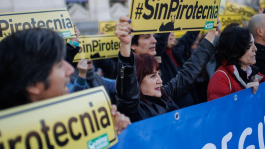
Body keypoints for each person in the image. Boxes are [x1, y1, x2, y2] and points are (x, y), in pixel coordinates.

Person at [0, 28, 130, 134]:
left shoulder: (79, 124)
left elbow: (121, 85)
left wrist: (110, 130)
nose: (70, 70)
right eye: (58, 64)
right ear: (32, 83)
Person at [115, 16, 218, 122]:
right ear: (137, 80)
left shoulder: (164, 96)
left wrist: (210, 35)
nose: (160, 81)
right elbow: (127, 85)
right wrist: (124, 45)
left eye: (158, 74)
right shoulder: (134, 110)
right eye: (152, 76)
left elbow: (188, 73)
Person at [207, 26, 265, 101]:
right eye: (249, 45)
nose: (255, 49)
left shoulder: (252, 73)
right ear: (235, 49)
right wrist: (244, 95)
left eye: (254, 44)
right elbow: (219, 111)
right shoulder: (220, 78)